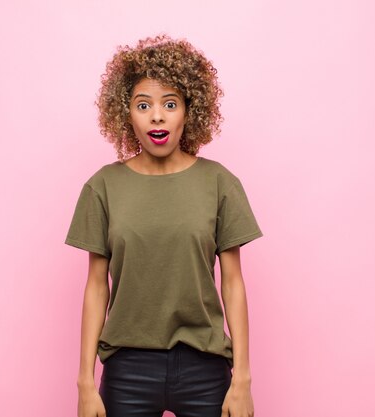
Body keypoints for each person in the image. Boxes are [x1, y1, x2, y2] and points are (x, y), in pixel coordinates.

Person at [65, 34, 263, 417]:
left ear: (189, 111)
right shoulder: (103, 186)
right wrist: (85, 383)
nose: (157, 115)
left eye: (170, 104)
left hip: (205, 368)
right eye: (144, 105)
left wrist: (243, 380)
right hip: (127, 371)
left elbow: (234, 282)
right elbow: (95, 286)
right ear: (127, 113)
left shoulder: (219, 183)